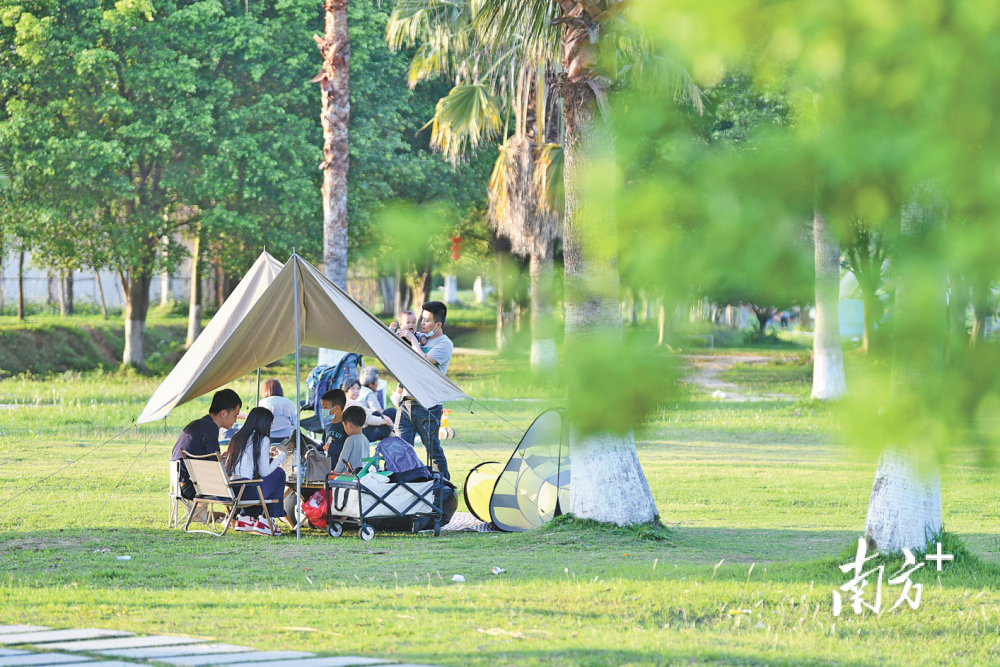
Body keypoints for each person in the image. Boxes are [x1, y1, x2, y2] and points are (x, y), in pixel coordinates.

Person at [395, 301, 454, 479]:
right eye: (422, 319)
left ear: (438, 325)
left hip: (428, 406)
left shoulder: (444, 344)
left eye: (427, 321)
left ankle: (444, 487)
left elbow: (424, 362)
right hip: (406, 403)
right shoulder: (419, 337)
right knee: (400, 449)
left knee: (433, 451)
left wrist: (413, 340)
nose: (421, 324)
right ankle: (404, 486)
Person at [225, 407, 293, 536]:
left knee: (260, 479)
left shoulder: (237, 437)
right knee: (278, 473)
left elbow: (245, 464)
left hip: (230, 492)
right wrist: (281, 456)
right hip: (246, 492)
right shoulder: (262, 439)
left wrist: (265, 455)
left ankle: (246, 518)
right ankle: (267, 521)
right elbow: (265, 472)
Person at [172, 389, 242, 485]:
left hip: (180, 481)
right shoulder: (210, 428)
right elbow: (216, 465)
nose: (235, 420)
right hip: (193, 486)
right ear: (223, 413)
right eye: (235, 415)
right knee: (242, 486)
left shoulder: (199, 424)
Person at [342, 377, 393, 441]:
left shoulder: (349, 401)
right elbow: (367, 419)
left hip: (359, 433)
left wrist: (384, 417)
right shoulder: (350, 402)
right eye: (353, 389)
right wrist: (385, 421)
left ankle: (392, 434)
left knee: (386, 414)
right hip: (359, 434)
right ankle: (393, 436)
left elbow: (368, 411)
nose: (356, 391)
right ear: (346, 391)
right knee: (378, 414)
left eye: (358, 389)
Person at [336, 406, 371, 474]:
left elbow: (342, 460)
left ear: (348, 424)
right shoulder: (365, 439)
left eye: (344, 425)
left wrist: (335, 472)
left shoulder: (350, 440)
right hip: (361, 475)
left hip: (349, 477)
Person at [319, 389, 348, 462]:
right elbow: (323, 445)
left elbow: (348, 448)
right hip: (327, 466)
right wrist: (312, 450)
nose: (323, 410)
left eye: (325, 407)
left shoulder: (347, 427)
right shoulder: (327, 426)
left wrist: (331, 448)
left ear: (337, 408)